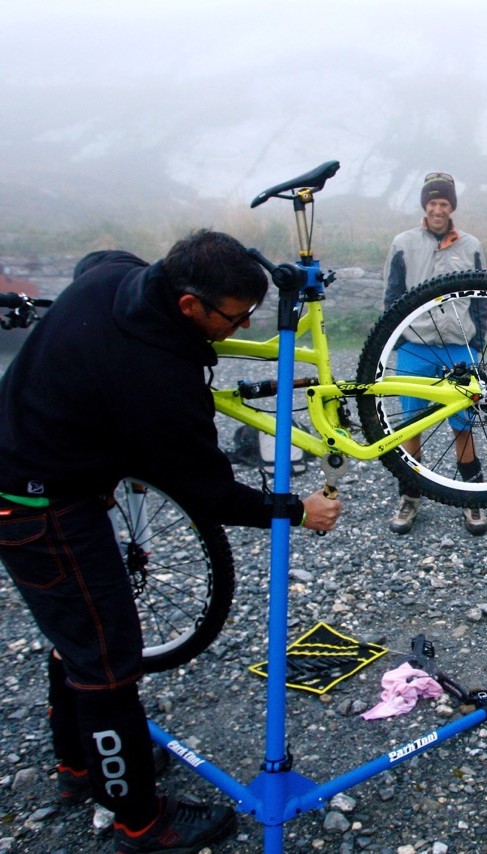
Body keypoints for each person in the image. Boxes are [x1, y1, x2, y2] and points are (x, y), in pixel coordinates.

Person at [0, 230, 341, 853]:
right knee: (107, 660)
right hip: (34, 506)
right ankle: (138, 820)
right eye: (234, 318)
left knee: (79, 632)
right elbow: (212, 495)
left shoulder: (114, 277)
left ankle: (80, 766)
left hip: (39, 463)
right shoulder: (157, 377)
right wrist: (295, 509)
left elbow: (91, 256)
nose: (242, 326)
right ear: (189, 305)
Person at [383, 171, 487, 536]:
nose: (438, 209)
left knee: (463, 425)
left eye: (444, 203)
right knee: (411, 427)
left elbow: (482, 298)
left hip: (460, 347)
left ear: (452, 207)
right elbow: (392, 296)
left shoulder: (471, 245)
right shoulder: (403, 242)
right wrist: (394, 343)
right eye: (432, 203)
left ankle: (472, 497)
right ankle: (410, 497)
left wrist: (478, 346)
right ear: (424, 206)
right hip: (416, 346)